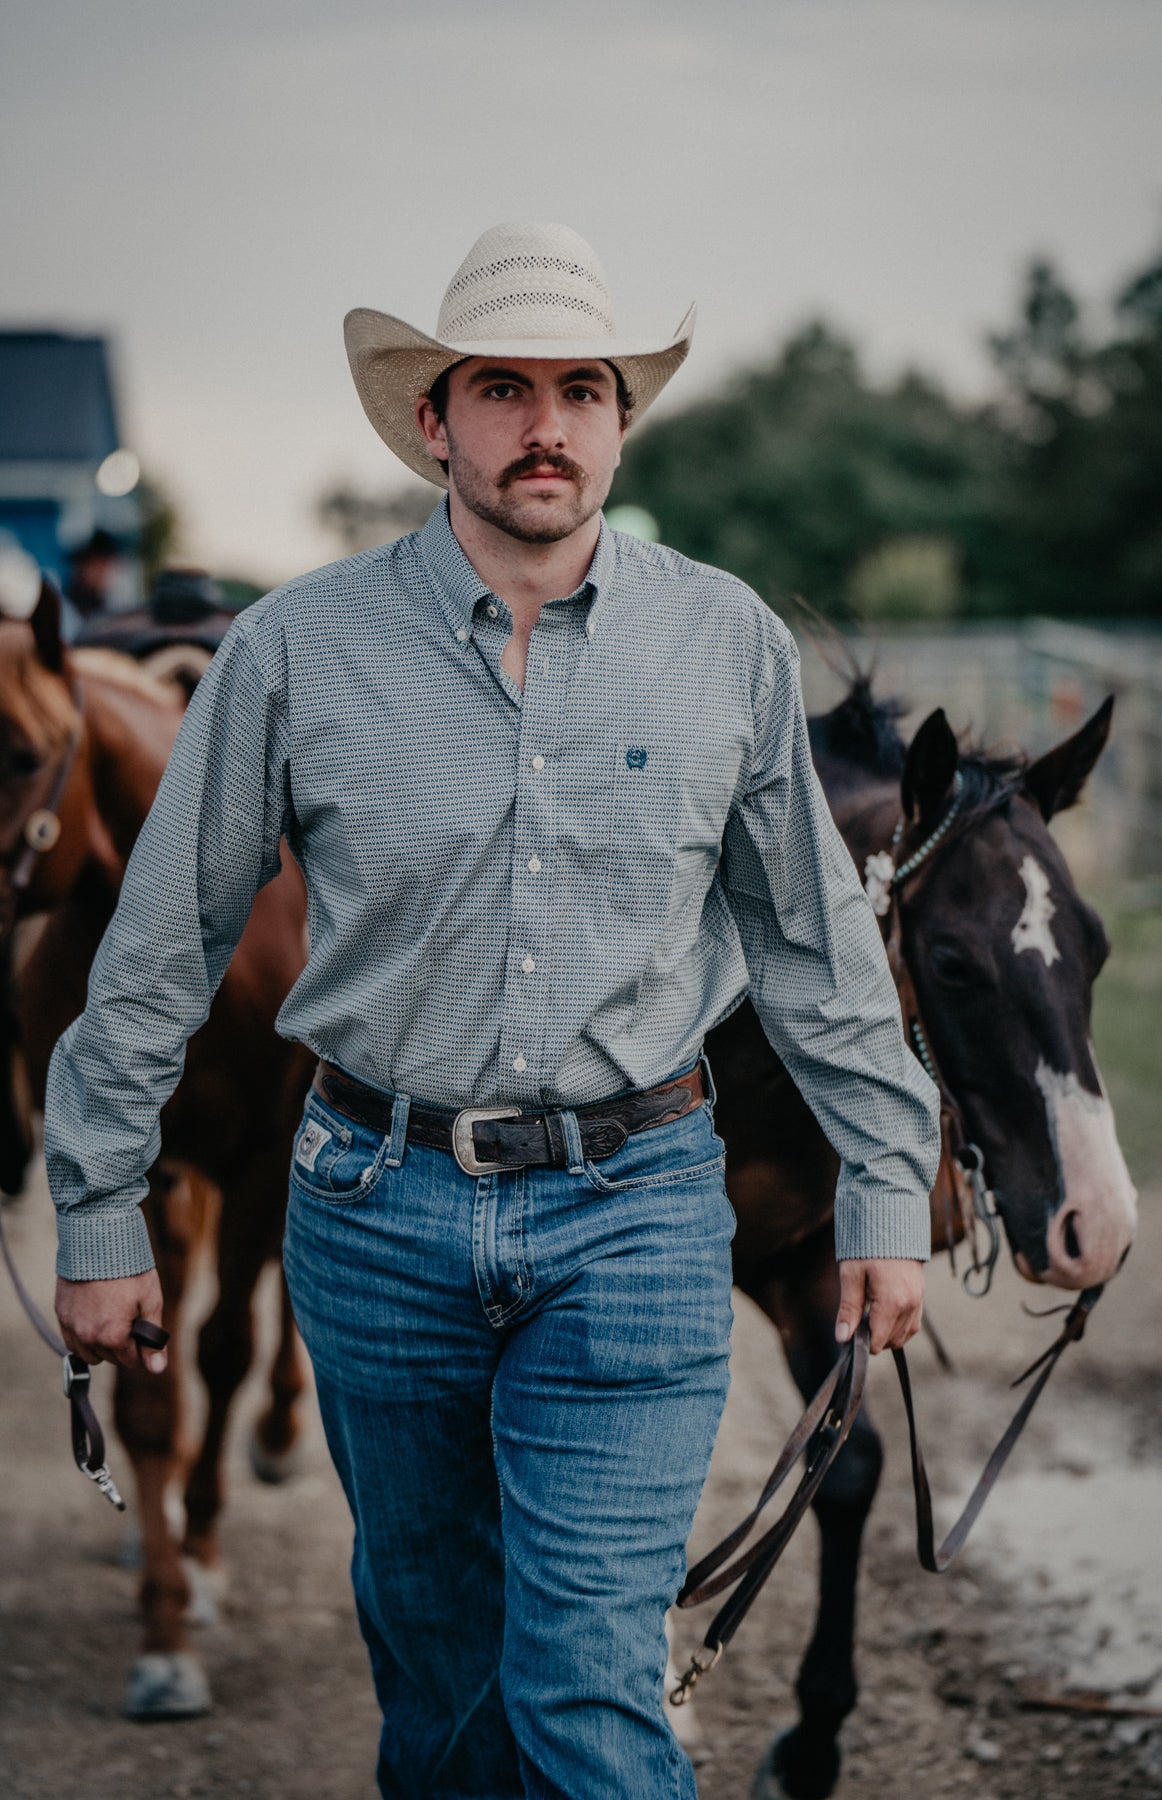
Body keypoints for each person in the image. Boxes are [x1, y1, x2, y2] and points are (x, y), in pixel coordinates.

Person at [47, 222, 940, 1800]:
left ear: (619, 420)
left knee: (589, 1690)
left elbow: (816, 948)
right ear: (429, 422)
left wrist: (883, 1179)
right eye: (504, 387)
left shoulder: (721, 642)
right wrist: (101, 1201)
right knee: (444, 1690)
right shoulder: (292, 653)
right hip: (375, 1214)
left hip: (640, 1212)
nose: (547, 424)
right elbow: (160, 950)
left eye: (582, 389)